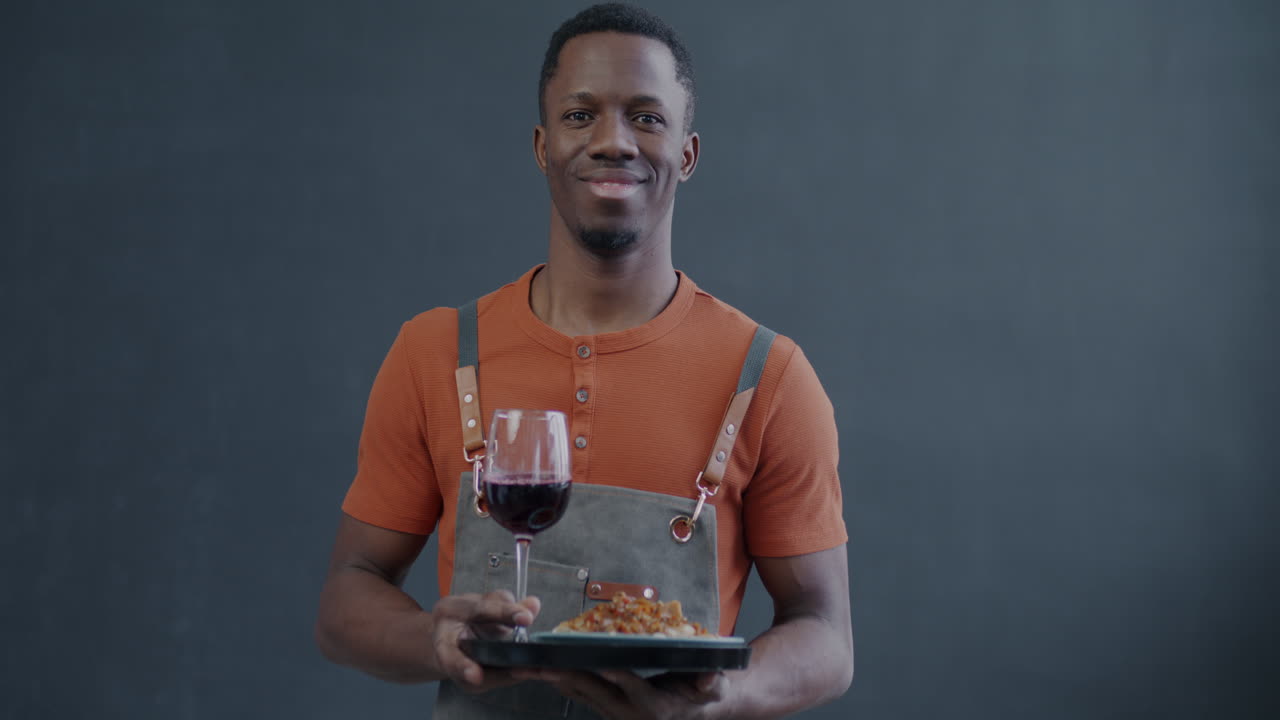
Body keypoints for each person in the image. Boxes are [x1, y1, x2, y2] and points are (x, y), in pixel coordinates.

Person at [316, 4, 853, 718]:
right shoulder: (435, 354)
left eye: (647, 117)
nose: (613, 141)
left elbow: (827, 635)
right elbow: (348, 593)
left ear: (687, 154)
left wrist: (728, 696)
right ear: (542, 146)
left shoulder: (770, 378)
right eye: (580, 116)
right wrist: (431, 638)